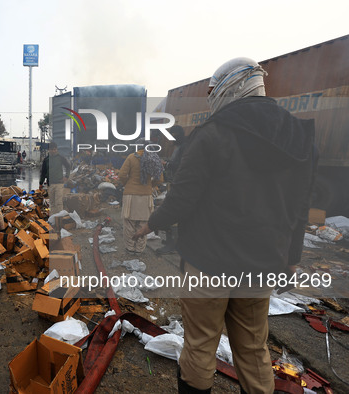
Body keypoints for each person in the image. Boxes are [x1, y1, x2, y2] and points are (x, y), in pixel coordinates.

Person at [134, 58, 317, 393]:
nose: (210, 97)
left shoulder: (213, 134)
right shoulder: (298, 136)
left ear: (230, 87)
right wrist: (291, 257)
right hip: (262, 265)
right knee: (252, 347)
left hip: (209, 262)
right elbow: (299, 208)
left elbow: (183, 197)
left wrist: (152, 223)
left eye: (212, 90)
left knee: (201, 344)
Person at [118, 137, 163, 254]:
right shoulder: (154, 159)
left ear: (137, 146)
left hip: (130, 196)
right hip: (146, 196)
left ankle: (130, 248)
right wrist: (149, 185)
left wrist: (127, 184)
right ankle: (139, 249)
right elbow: (160, 179)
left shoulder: (131, 157)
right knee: (143, 223)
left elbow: (122, 175)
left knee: (129, 223)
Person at [156, 125, 186, 255]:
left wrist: (166, 164)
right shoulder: (180, 147)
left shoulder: (183, 148)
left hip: (178, 185)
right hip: (175, 184)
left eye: (173, 135)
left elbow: (180, 165)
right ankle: (173, 241)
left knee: (172, 212)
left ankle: (172, 244)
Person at [39, 142, 71, 214]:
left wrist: (66, 176)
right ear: (48, 150)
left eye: (54, 149)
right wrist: (41, 183)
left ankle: (59, 219)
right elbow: (43, 172)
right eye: (51, 149)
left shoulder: (61, 158)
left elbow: (68, 166)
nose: (53, 151)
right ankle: (53, 219)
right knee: (52, 202)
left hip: (59, 183)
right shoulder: (46, 160)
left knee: (58, 202)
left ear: (56, 149)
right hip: (50, 184)